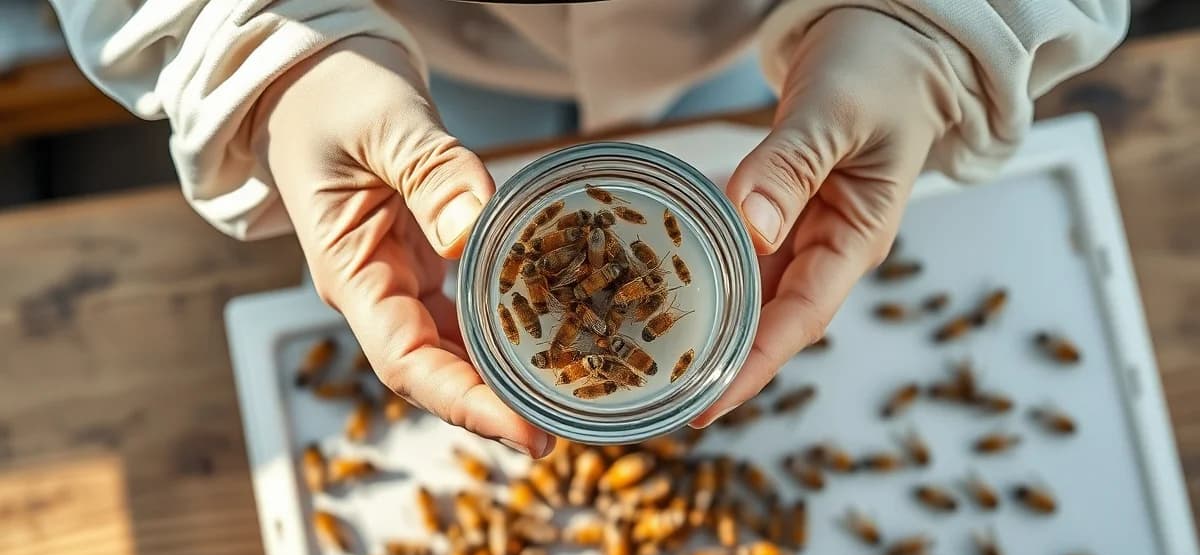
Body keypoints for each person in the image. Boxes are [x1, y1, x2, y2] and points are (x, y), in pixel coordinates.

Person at [49, 1, 1127, 458]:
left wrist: (939, 24)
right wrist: (269, 55)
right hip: (409, 37)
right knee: (456, 202)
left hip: (778, 30)